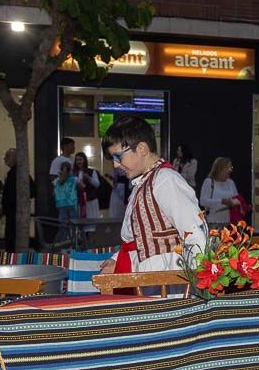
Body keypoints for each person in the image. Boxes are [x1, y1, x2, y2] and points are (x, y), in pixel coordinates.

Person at [99, 117, 206, 277]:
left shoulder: (165, 180)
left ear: (142, 148)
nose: (115, 164)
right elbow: (137, 238)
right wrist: (117, 259)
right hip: (149, 283)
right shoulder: (143, 183)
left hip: (165, 289)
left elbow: (196, 236)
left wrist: (193, 285)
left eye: (118, 157)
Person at [1, 148, 32, 253]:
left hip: (15, 211)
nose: (5, 159)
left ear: (15, 158)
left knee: (13, 235)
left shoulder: (20, 174)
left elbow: (32, 191)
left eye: (7, 156)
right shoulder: (13, 174)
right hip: (12, 211)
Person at [200, 157, 240, 227]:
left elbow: (237, 198)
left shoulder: (231, 182)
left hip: (230, 224)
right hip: (213, 223)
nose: (231, 170)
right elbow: (203, 201)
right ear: (220, 169)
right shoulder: (209, 182)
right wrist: (222, 201)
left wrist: (238, 203)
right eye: (228, 167)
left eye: (231, 167)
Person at [74, 152, 101, 231]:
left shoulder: (92, 171)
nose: (78, 162)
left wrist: (89, 178)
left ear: (84, 160)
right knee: (81, 224)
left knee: (92, 224)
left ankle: (92, 241)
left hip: (91, 200)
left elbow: (97, 184)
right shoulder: (74, 173)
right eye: (76, 160)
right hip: (80, 201)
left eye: (80, 159)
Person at [53, 161, 77, 243]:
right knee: (73, 224)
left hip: (61, 205)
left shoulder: (56, 181)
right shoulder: (74, 179)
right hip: (71, 204)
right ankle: (73, 242)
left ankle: (64, 243)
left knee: (63, 225)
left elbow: (54, 192)